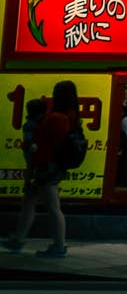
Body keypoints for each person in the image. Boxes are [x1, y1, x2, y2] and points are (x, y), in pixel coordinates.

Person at [5, 81, 78, 258]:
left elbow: (43, 144)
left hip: (46, 167)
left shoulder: (57, 117)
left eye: (55, 92)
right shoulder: (70, 116)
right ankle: (18, 240)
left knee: (52, 207)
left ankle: (59, 246)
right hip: (50, 167)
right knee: (29, 201)